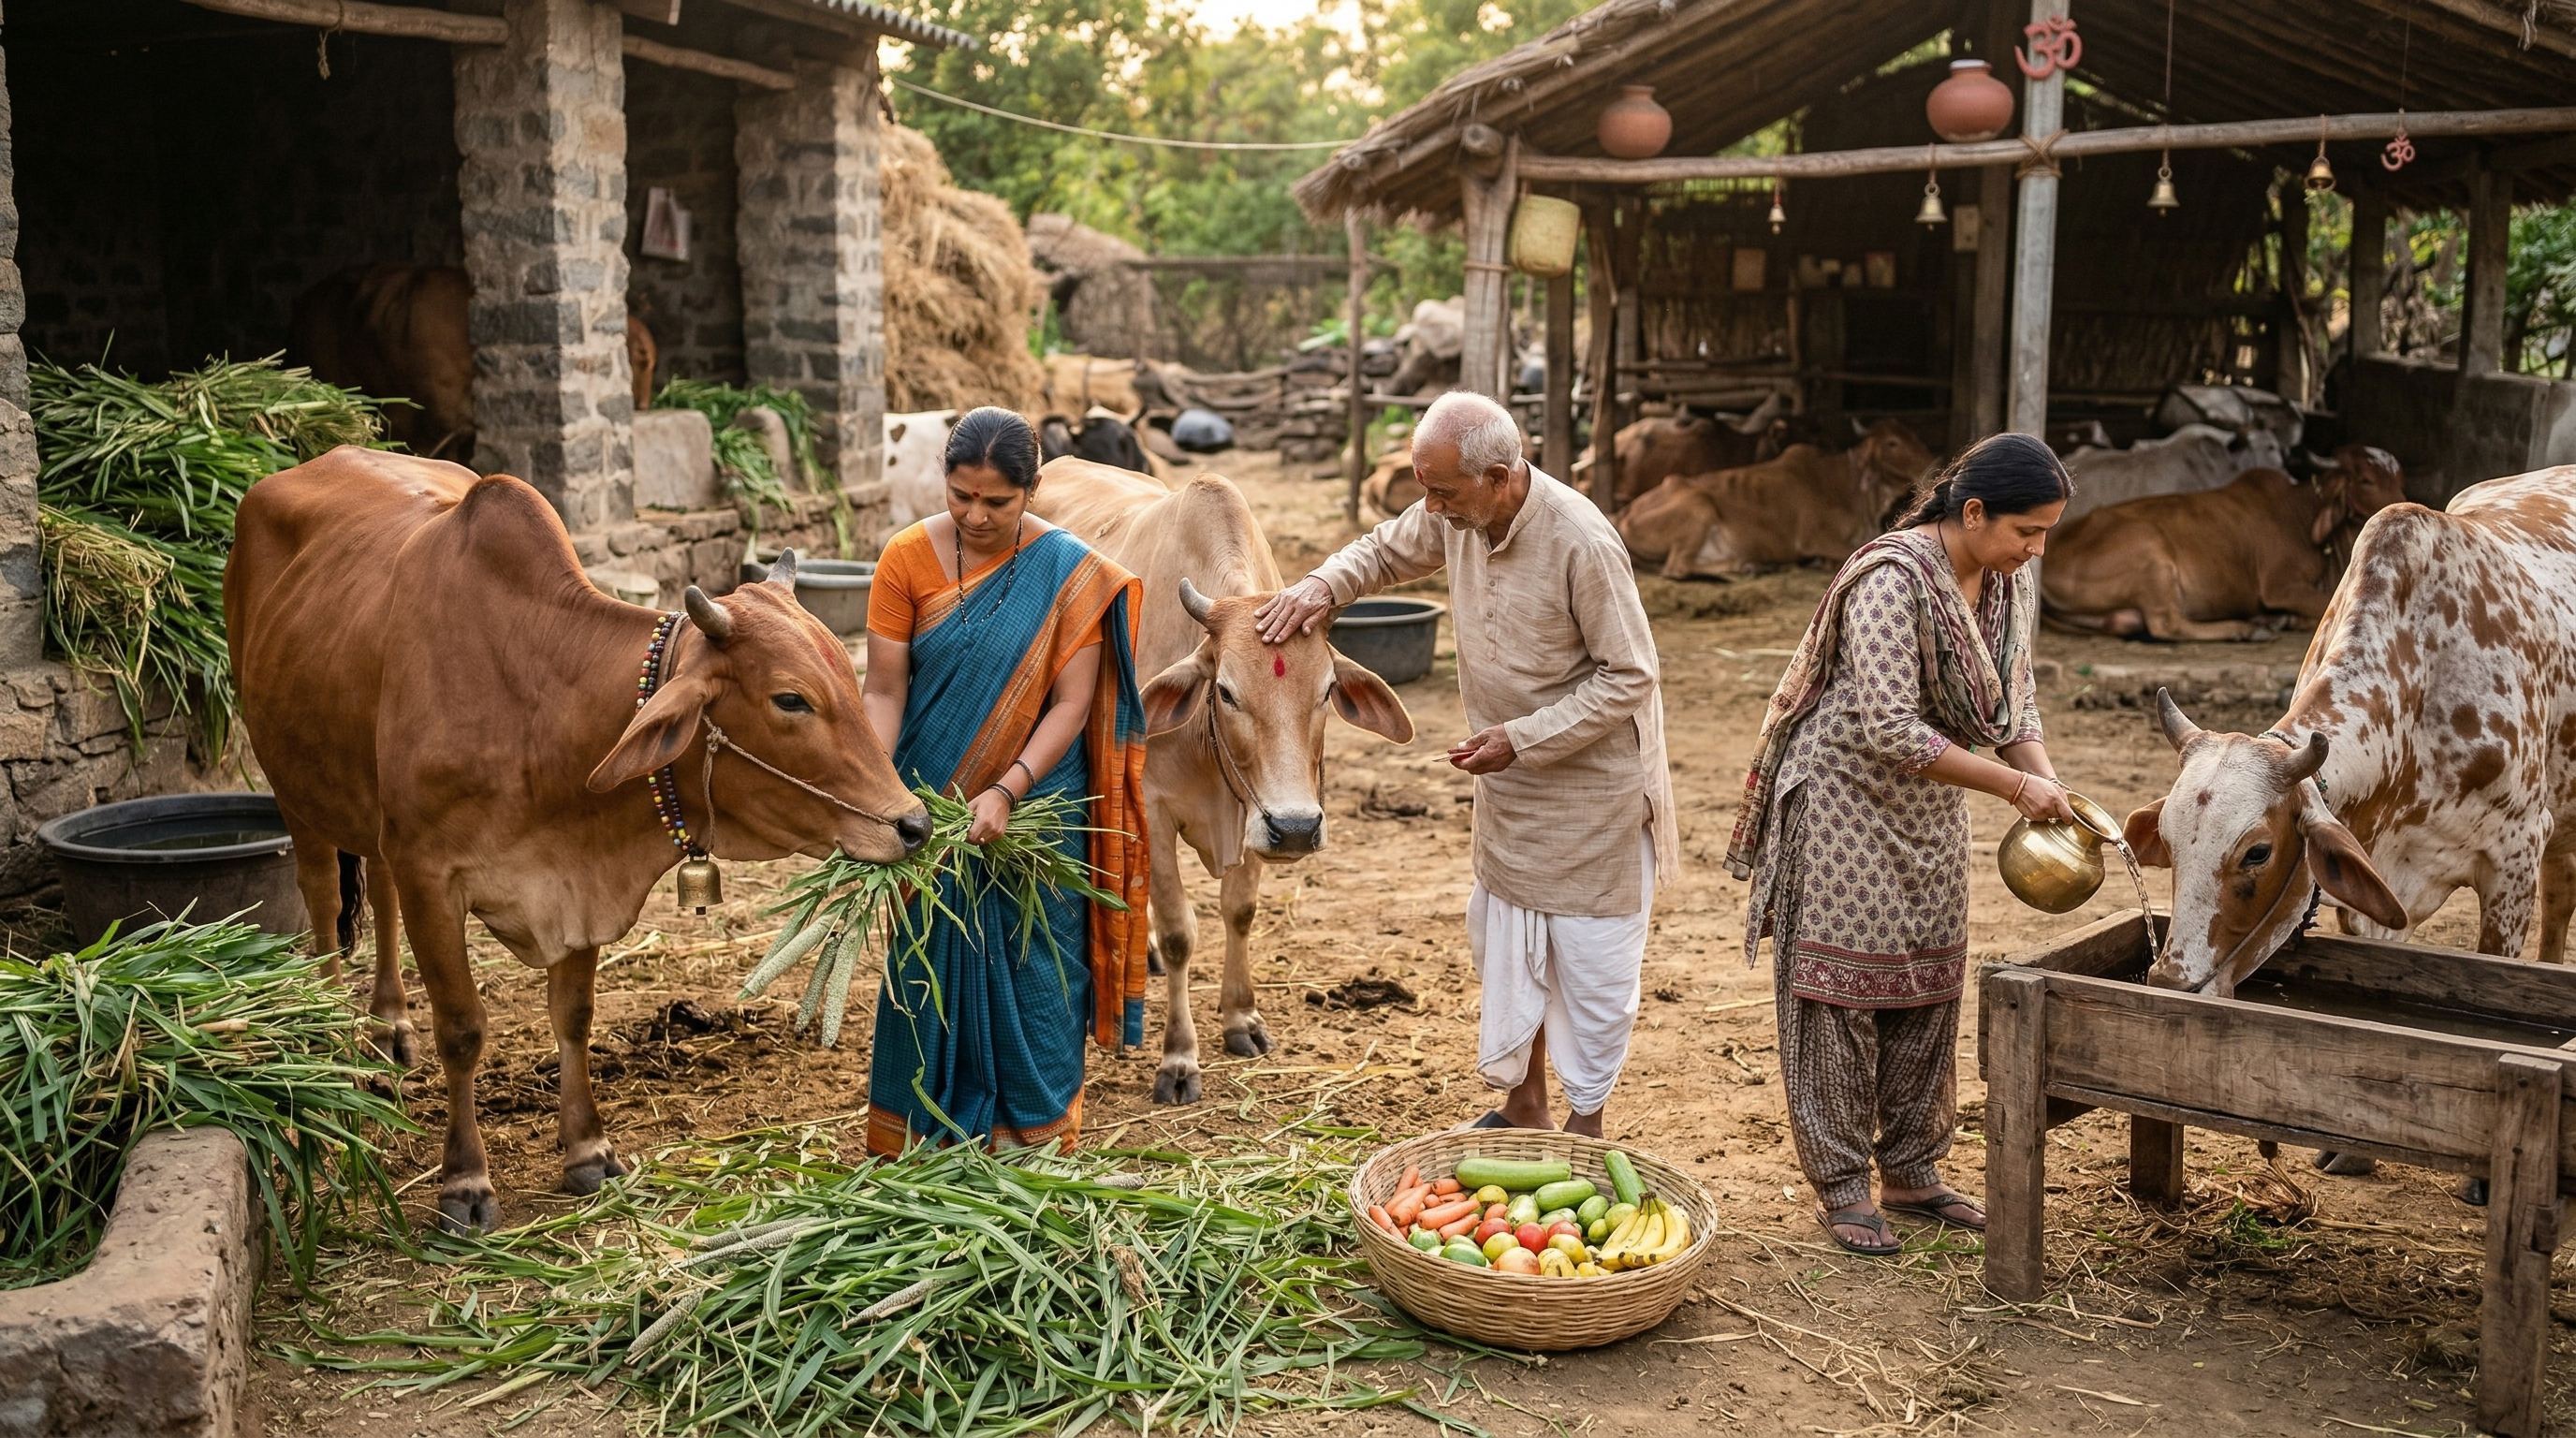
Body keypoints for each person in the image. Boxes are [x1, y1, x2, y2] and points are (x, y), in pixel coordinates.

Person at [1257, 391, 1675, 1138]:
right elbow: (1385, 548)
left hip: (1592, 793)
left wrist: (1524, 737)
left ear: (1502, 475)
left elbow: (1632, 676)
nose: (1431, 505)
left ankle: (1585, 1124)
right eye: (1426, 487)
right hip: (1509, 783)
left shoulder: (1582, 540)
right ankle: (1525, 1105)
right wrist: (1322, 584)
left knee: (1588, 968)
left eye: (1443, 491)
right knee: (1514, 946)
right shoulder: (1458, 513)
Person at [1726, 431, 2076, 1256]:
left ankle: (1914, 1172)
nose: (2036, 549)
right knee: (1839, 989)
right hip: (1845, 796)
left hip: (1930, 803)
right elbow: (1887, 726)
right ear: (1975, 510)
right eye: (2028, 531)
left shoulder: (2003, 582)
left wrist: (2049, 782)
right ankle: (1843, 1186)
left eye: (2047, 534)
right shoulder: (1889, 580)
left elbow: (2013, 707)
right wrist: (2014, 788)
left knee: (1926, 977)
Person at [859, 407, 1150, 1155]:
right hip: (932, 803)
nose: (975, 515)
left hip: (1039, 804)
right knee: (928, 968)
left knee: (1037, 973)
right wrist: (878, 790)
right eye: (960, 496)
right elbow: (886, 690)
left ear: (1034, 490)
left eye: (997, 502)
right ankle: (930, 1141)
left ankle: (1035, 1144)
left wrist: (1008, 789)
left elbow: (1073, 701)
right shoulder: (904, 560)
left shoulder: (1067, 570)